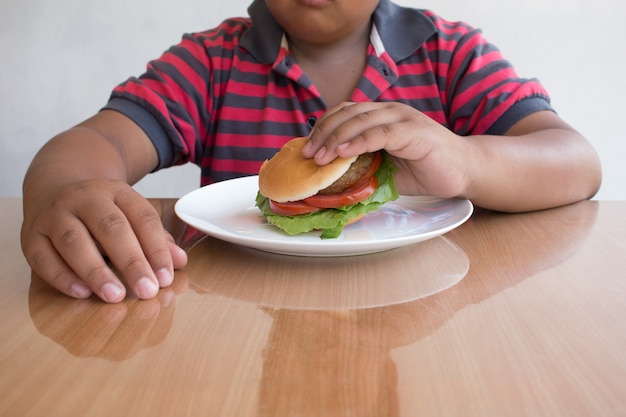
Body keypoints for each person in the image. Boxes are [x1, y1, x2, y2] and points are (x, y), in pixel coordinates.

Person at [21, 0, 602, 303]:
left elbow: (575, 160)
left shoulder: (451, 54)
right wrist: (62, 189)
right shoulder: (213, 61)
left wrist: (468, 161)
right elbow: (96, 141)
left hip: (425, 296)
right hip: (240, 302)